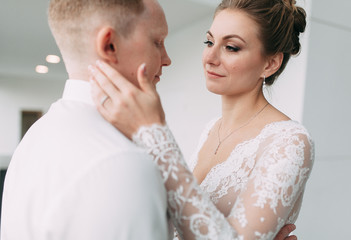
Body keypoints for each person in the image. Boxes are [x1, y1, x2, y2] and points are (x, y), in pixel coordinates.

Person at [89, 0, 314, 239]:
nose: (210, 57)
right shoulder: (211, 129)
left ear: (270, 63)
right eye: (209, 42)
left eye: (232, 47)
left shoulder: (289, 142)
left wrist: (154, 134)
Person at [1, 0, 173, 239]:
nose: (166, 59)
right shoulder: (122, 162)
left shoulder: (33, 138)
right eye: (157, 42)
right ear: (109, 45)